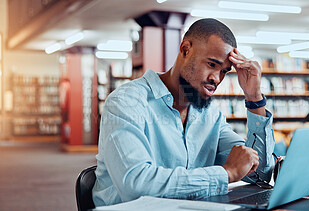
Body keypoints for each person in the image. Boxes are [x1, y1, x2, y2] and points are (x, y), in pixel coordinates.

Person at [92, 18, 275, 206]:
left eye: (224, 72)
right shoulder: (126, 103)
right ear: (185, 50)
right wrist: (226, 173)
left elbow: (259, 174)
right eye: (212, 65)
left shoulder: (210, 114)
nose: (216, 79)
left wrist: (254, 98)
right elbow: (137, 186)